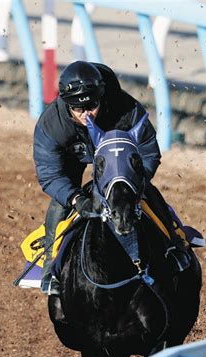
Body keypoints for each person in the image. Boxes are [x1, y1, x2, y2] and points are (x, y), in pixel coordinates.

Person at [33, 60, 190, 294]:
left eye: (93, 106)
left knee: (146, 192)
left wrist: (135, 182)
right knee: (60, 204)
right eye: (79, 110)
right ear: (67, 105)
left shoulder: (124, 108)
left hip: (117, 157)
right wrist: (76, 199)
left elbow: (148, 151)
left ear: (101, 96)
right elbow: (50, 173)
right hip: (72, 160)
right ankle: (50, 269)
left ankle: (174, 247)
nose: (87, 115)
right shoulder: (51, 125)